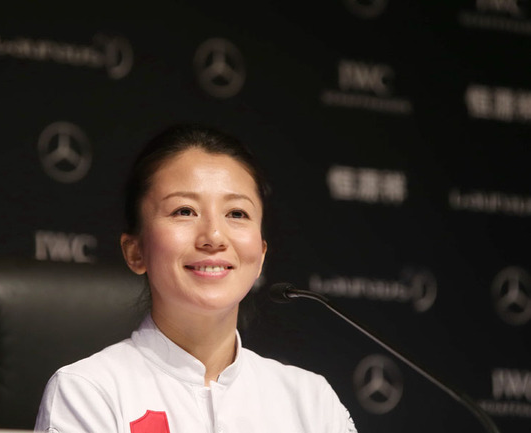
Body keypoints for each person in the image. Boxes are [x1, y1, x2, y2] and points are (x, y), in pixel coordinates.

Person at [34, 124, 357, 433]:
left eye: (236, 213)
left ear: (260, 255)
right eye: (184, 211)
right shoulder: (89, 391)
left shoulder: (311, 402)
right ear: (135, 252)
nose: (214, 236)